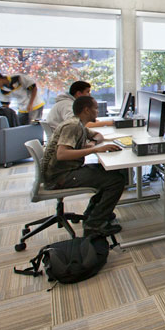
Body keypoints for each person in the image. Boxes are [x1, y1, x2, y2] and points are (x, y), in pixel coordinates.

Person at [41, 96, 127, 236]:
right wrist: (93, 150)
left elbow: (98, 136)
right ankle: (94, 225)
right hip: (60, 177)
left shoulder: (79, 124)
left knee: (112, 172)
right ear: (87, 110)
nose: (98, 112)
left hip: (66, 171)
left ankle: (94, 214)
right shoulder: (72, 126)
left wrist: (92, 143)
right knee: (116, 180)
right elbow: (61, 154)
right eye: (96, 108)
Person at [46, 81, 114, 131]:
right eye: (87, 92)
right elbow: (77, 125)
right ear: (79, 93)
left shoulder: (69, 102)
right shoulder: (67, 105)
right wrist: (111, 123)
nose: (89, 95)